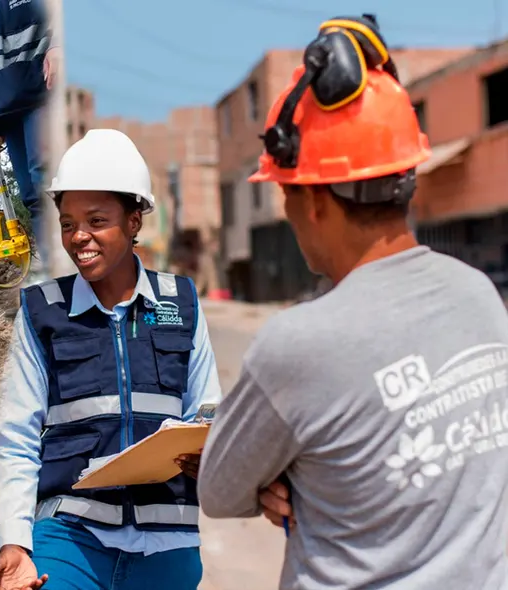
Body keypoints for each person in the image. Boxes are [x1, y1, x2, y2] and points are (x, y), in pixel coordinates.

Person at [197, 15, 508, 590]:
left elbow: (219, 491)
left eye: (285, 195)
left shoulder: (298, 345)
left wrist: (294, 476)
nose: (286, 214)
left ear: (313, 200)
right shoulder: (481, 297)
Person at [0, 129, 223, 590]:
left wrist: (210, 450)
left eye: (96, 220)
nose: (79, 237)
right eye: (68, 222)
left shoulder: (183, 304)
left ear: (134, 221)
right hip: (70, 539)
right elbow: (15, 436)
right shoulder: (43, 311)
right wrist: (16, 543)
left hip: (168, 541)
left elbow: (210, 411)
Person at [0, 0, 57, 254]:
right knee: (31, 195)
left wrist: (58, 45)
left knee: (47, 180)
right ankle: (55, 270)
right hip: (10, 109)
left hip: (40, 90)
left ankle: (71, 263)